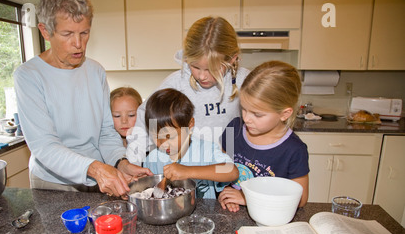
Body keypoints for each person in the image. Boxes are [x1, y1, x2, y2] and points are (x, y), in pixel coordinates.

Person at [13, 0, 151, 197]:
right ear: (45, 31)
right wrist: (95, 168)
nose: (78, 44)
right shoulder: (29, 76)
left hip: (97, 177)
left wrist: (121, 163)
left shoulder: (95, 71)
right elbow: (45, 146)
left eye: (84, 32)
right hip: (52, 183)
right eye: (67, 34)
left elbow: (105, 132)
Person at [126, 16, 250, 165]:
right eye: (195, 67)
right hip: (185, 171)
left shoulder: (246, 82)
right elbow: (145, 122)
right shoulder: (176, 83)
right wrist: (133, 162)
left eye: (212, 69)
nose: (202, 76)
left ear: (231, 59)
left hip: (227, 171)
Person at [219, 61, 309, 212]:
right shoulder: (234, 127)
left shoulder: (294, 150)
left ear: (284, 114)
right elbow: (221, 167)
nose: (247, 118)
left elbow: (300, 199)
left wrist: (248, 198)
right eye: (244, 109)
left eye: (257, 114)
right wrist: (225, 192)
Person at [143, 88, 239, 199]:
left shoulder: (207, 150)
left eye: (170, 136)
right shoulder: (153, 158)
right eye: (156, 137)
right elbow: (147, 188)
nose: (163, 144)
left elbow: (232, 172)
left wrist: (188, 171)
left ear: (190, 125)